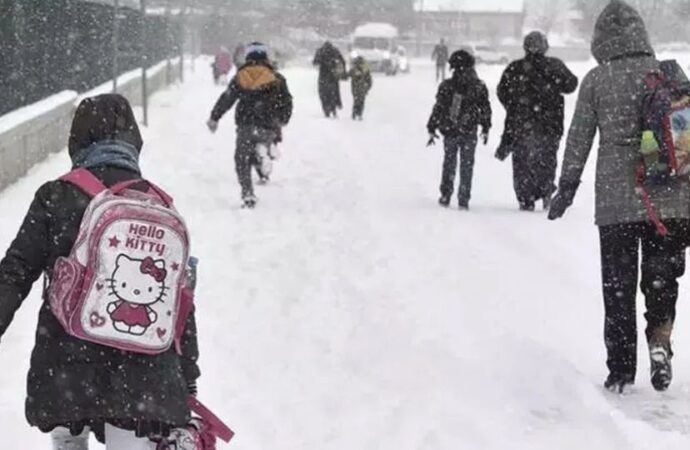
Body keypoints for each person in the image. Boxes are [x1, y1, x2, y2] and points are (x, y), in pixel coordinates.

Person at [0, 94, 200, 449]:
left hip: (66, 365)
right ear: (133, 141)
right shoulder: (157, 204)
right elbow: (179, 301)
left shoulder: (56, 196)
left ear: (77, 141)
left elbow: (15, 272)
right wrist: (188, 378)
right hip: (141, 375)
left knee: (68, 438)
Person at [549, 0, 690, 393]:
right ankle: (660, 342)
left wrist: (566, 187)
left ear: (601, 39)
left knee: (619, 287)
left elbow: (578, 139)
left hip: (617, 202)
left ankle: (621, 370)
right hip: (672, 200)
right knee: (662, 279)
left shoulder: (597, 79)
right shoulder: (667, 75)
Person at [497, 31, 578, 211]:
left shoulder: (515, 68)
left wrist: (514, 106)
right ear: (545, 47)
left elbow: (502, 92)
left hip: (521, 125)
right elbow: (571, 85)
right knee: (547, 160)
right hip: (550, 124)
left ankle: (526, 197)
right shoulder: (554, 66)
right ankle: (546, 190)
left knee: (522, 163)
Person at [207, 42, 293, 208]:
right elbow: (287, 102)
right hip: (268, 124)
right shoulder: (277, 78)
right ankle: (265, 153)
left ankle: (247, 193)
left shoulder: (241, 76)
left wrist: (214, 117)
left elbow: (227, 99)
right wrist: (283, 119)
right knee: (262, 144)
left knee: (242, 159)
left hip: (246, 124)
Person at [427, 50, 491, 210]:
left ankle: (446, 193)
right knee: (467, 164)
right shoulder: (479, 86)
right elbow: (485, 108)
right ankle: (464, 197)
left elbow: (439, 108)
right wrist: (485, 126)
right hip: (469, 130)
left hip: (450, 129)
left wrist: (432, 125)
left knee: (449, 162)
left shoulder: (447, 86)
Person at [313, 41, 346, 118]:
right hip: (333, 76)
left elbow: (315, 62)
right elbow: (342, 61)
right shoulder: (335, 51)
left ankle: (326, 109)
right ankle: (333, 107)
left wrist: (322, 61)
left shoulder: (320, 51)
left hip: (323, 75)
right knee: (334, 93)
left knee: (323, 93)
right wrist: (342, 72)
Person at [348, 56, 373, 121]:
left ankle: (357, 113)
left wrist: (367, 86)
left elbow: (369, 79)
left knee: (358, 100)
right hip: (360, 88)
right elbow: (369, 80)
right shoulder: (357, 69)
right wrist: (367, 86)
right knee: (359, 100)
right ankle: (357, 113)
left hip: (359, 88)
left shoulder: (361, 69)